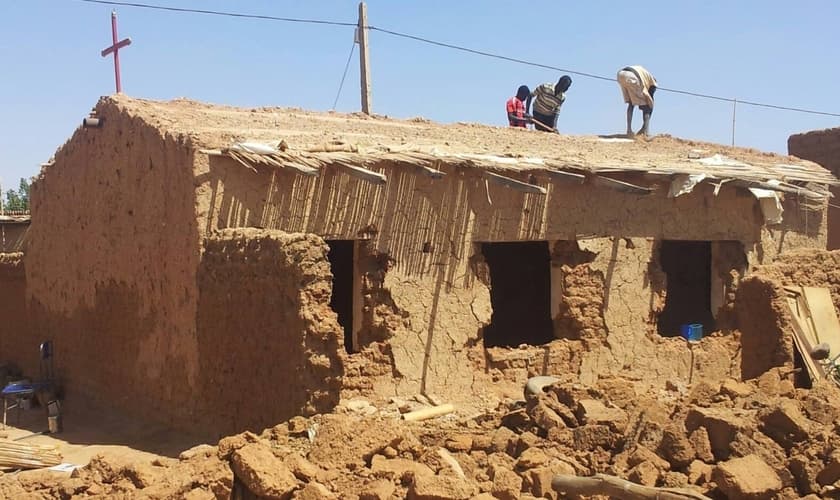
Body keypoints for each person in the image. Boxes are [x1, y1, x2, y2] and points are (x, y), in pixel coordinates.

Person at [617, 65, 657, 137]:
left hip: (620, 75)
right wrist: (650, 103)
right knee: (646, 107)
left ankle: (629, 130)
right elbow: (649, 98)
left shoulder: (646, 76)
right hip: (633, 77)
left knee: (631, 103)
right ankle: (646, 133)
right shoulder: (651, 83)